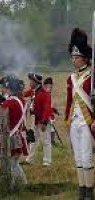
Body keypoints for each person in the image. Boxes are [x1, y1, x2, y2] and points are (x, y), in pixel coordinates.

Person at [0, 77, 28, 187]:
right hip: (17, 136)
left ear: (9, 89)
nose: (2, 90)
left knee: (11, 164)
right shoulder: (20, 100)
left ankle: (12, 187)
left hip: (11, 138)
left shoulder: (10, 102)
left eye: (4, 87)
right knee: (15, 164)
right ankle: (23, 185)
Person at [65, 28, 94, 199]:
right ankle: (81, 189)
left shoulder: (92, 75)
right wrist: (67, 120)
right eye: (73, 56)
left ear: (84, 57)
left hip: (88, 121)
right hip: (74, 121)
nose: (73, 60)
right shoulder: (71, 78)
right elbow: (69, 101)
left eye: (76, 57)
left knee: (87, 156)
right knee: (78, 158)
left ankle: (90, 191)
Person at [24, 73, 53, 166]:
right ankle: (29, 159)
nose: (30, 82)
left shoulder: (44, 93)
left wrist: (44, 122)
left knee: (46, 140)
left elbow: (47, 108)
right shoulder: (33, 90)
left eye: (31, 81)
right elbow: (24, 94)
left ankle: (47, 161)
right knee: (33, 139)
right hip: (34, 118)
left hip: (42, 119)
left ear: (36, 82)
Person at [43, 77, 60, 146]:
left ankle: (52, 142)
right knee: (49, 130)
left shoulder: (48, 93)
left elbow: (49, 106)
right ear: (45, 86)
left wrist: (54, 111)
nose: (51, 88)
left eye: (51, 86)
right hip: (45, 115)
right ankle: (50, 143)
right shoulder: (44, 94)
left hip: (49, 114)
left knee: (51, 129)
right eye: (49, 86)